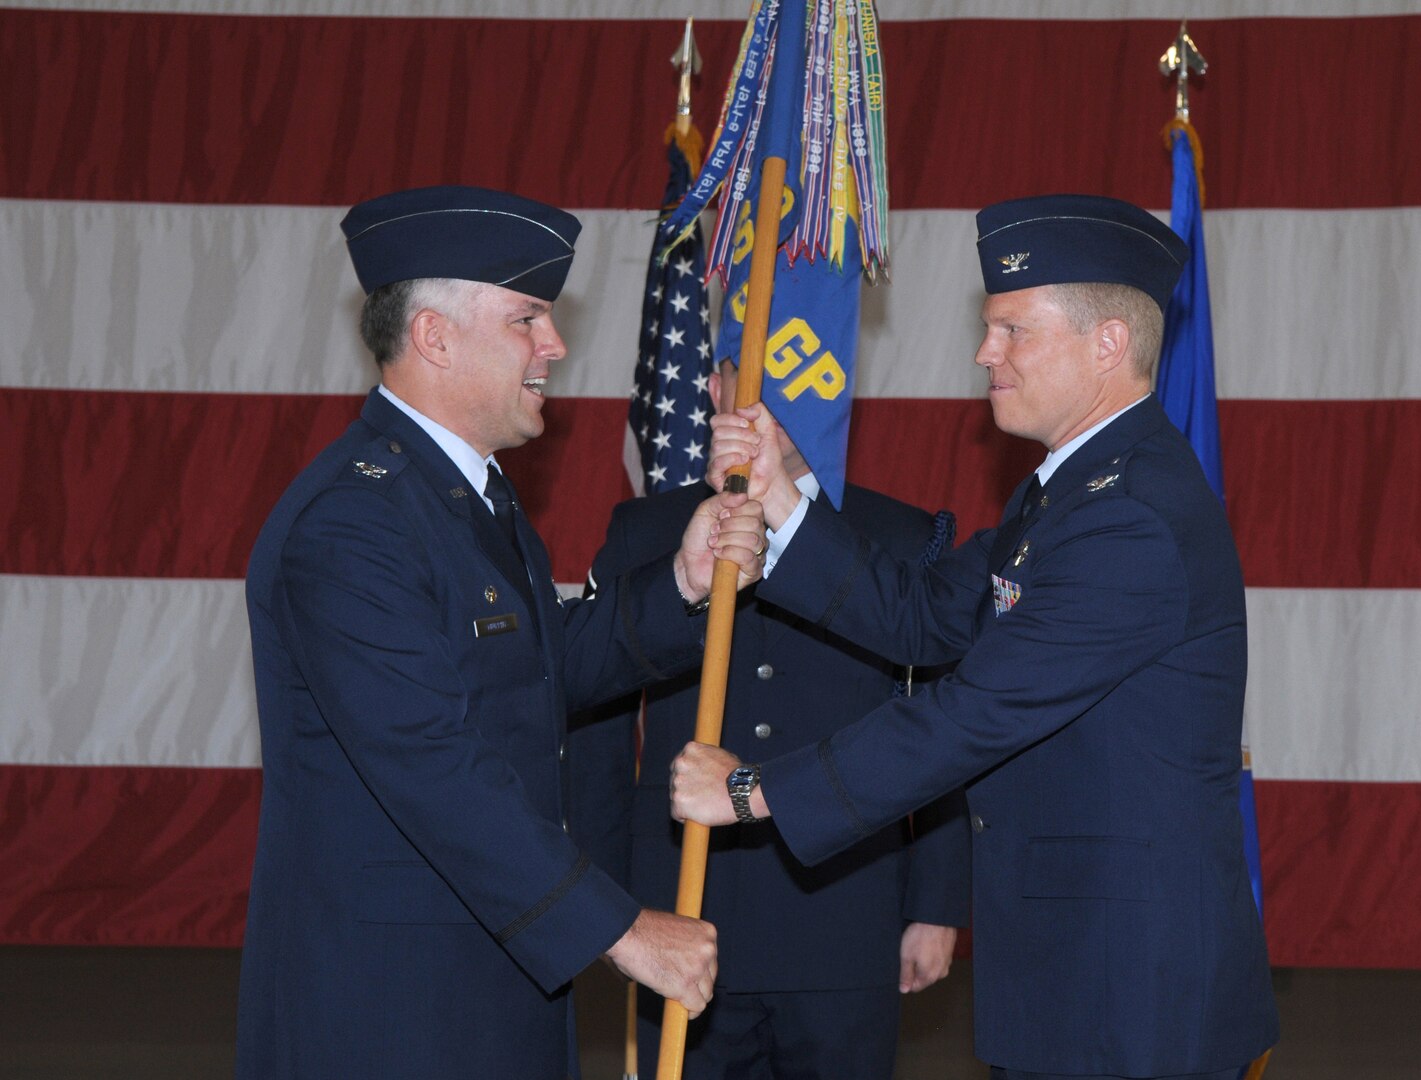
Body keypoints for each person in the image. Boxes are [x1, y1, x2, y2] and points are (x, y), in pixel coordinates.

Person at [671, 194, 1280, 1079]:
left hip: (1132, 990)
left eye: (1012, 331)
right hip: (1072, 967)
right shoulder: (1066, 492)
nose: (983, 353)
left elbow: (974, 713)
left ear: (1108, 344)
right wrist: (782, 495)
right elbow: (922, 615)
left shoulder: (1132, 517)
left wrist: (757, 790)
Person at [236, 184, 766, 1080]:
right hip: (390, 1015)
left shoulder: (461, 493)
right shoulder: (353, 523)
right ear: (435, 337)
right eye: (528, 319)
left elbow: (536, 667)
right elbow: (432, 764)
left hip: (487, 985)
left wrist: (681, 580)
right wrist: (622, 929)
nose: (554, 345)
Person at [576, 357, 970, 1080]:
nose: (763, 401)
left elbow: (939, 731)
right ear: (715, 390)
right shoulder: (645, 532)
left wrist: (935, 903)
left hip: (845, 912)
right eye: (741, 374)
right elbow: (596, 729)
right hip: (682, 909)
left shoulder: (900, 540)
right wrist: (606, 907)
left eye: (794, 378)